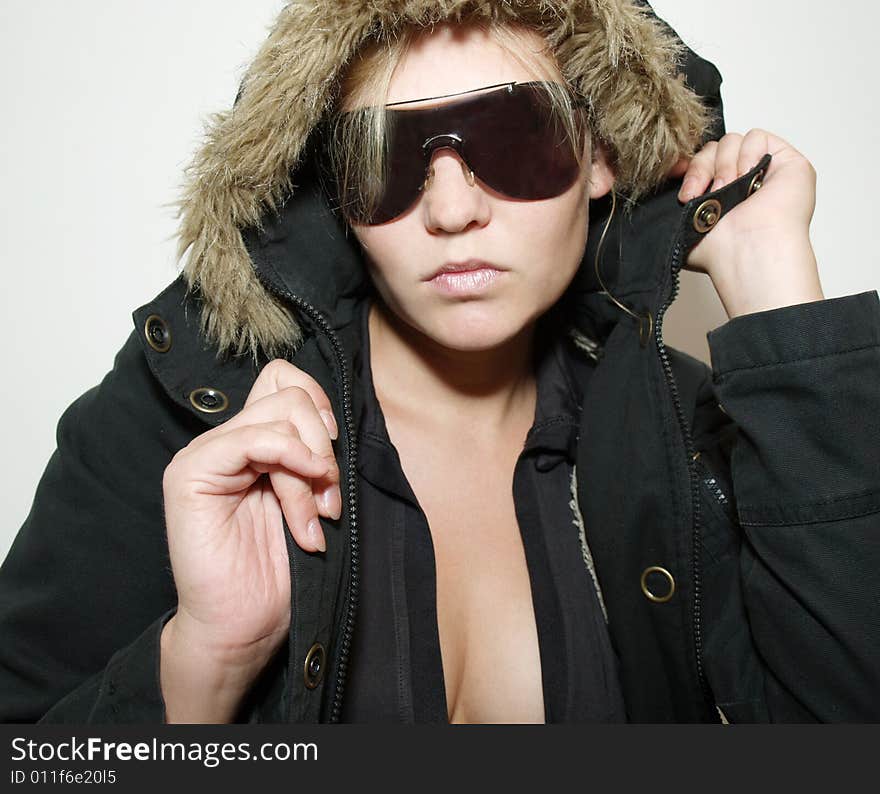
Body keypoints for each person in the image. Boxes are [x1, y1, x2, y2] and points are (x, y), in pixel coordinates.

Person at [1, 0, 878, 724]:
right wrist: (203, 664)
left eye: (516, 135)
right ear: (333, 193)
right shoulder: (191, 412)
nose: (452, 209)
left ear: (602, 154)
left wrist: (778, 301)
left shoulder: (695, 438)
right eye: (383, 158)